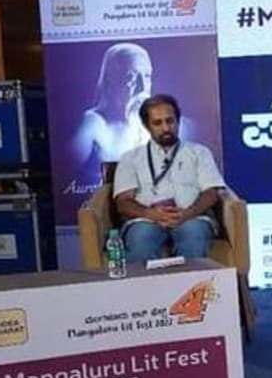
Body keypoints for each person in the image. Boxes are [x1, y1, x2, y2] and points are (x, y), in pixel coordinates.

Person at [113, 95, 226, 263]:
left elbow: (211, 192)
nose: (166, 128)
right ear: (146, 126)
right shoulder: (130, 158)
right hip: (146, 219)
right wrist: (151, 214)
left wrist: (188, 213)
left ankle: (191, 282)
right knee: (141, 241)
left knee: (193, 237)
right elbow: (123, 202)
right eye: (157, 123)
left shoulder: (199, 153)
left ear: (178, 121)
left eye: (170, 121)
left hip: (191, 217)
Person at [70, 43, 154, 175]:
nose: (142, 87)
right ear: (111, 80)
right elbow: (68, 173)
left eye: (147, 76)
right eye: (131, 77)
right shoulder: (93, 124)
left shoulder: (165, 124)